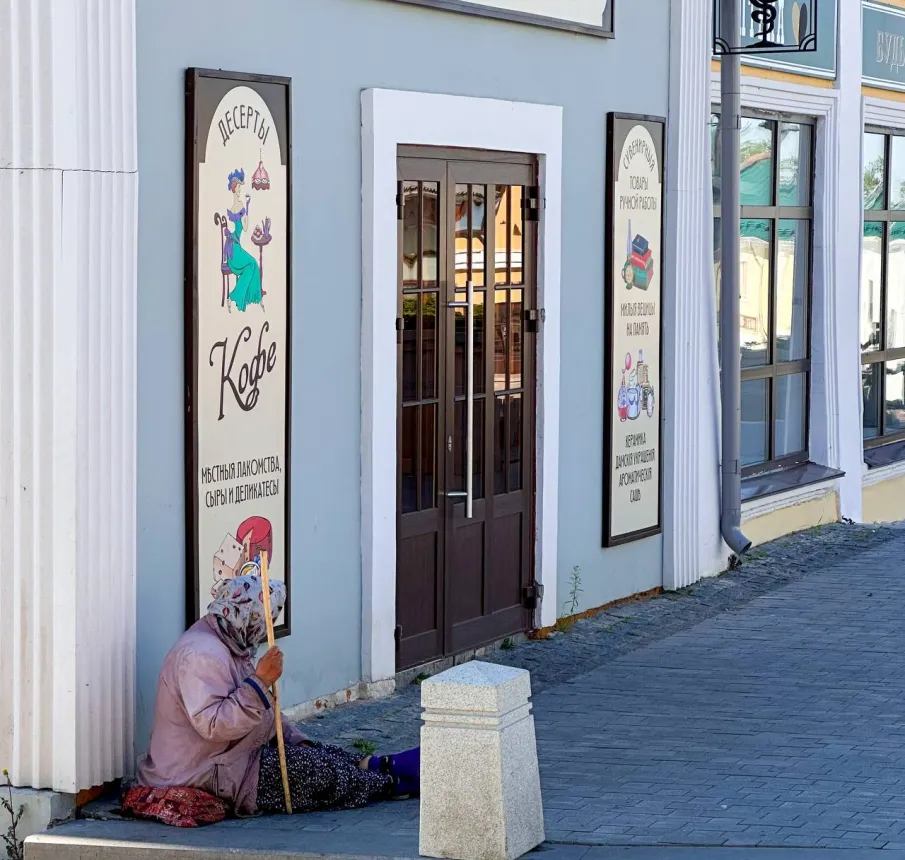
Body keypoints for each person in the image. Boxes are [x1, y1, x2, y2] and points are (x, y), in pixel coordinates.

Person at [137, 574, 420, 816]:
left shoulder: (231, 644)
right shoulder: (200, 655)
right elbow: (214, 726)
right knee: (316, 772)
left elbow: (266, 713)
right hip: (201, 771)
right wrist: (260, 681)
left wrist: (296, 740)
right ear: (249, 618)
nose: (262, 633)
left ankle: (381, 766)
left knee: (319, 753)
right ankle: (387, 782)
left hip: (235, 757)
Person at [224, 168, 264, 313]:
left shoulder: (234, 206)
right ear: (234, 188)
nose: (240, 189)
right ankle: (241, 297)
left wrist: (246, 207)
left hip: (232, 246)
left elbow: (241, 228)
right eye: (239, 187)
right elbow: (246, 227)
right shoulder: (239, 205)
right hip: (233, 248)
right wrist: (246, 207)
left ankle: (240, 297)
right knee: (253, 264)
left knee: (251, 266)